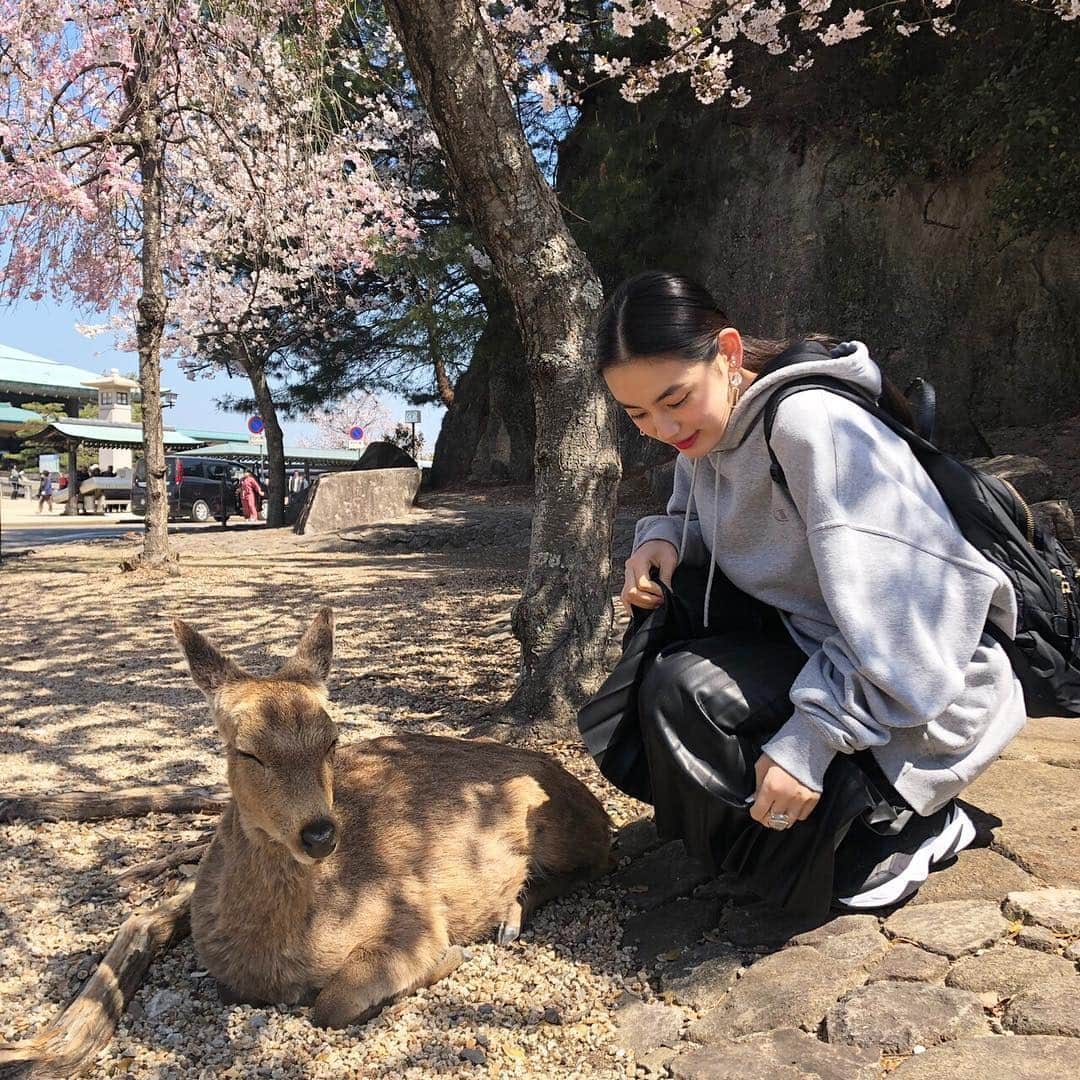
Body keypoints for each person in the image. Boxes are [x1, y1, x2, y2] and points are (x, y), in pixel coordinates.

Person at [594, 270, 1025, 912]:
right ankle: (820, 823)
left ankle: (914, 819)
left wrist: (809, 741)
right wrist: (661, 540)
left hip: (929, 676)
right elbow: (692, 497)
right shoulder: (704, 435)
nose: (660, 426)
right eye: (637, 414)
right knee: (674, 688)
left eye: (674, 399)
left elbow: (907, 624)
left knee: (844, 882)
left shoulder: (808, 428)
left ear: (729, 355)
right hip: (826, 644)